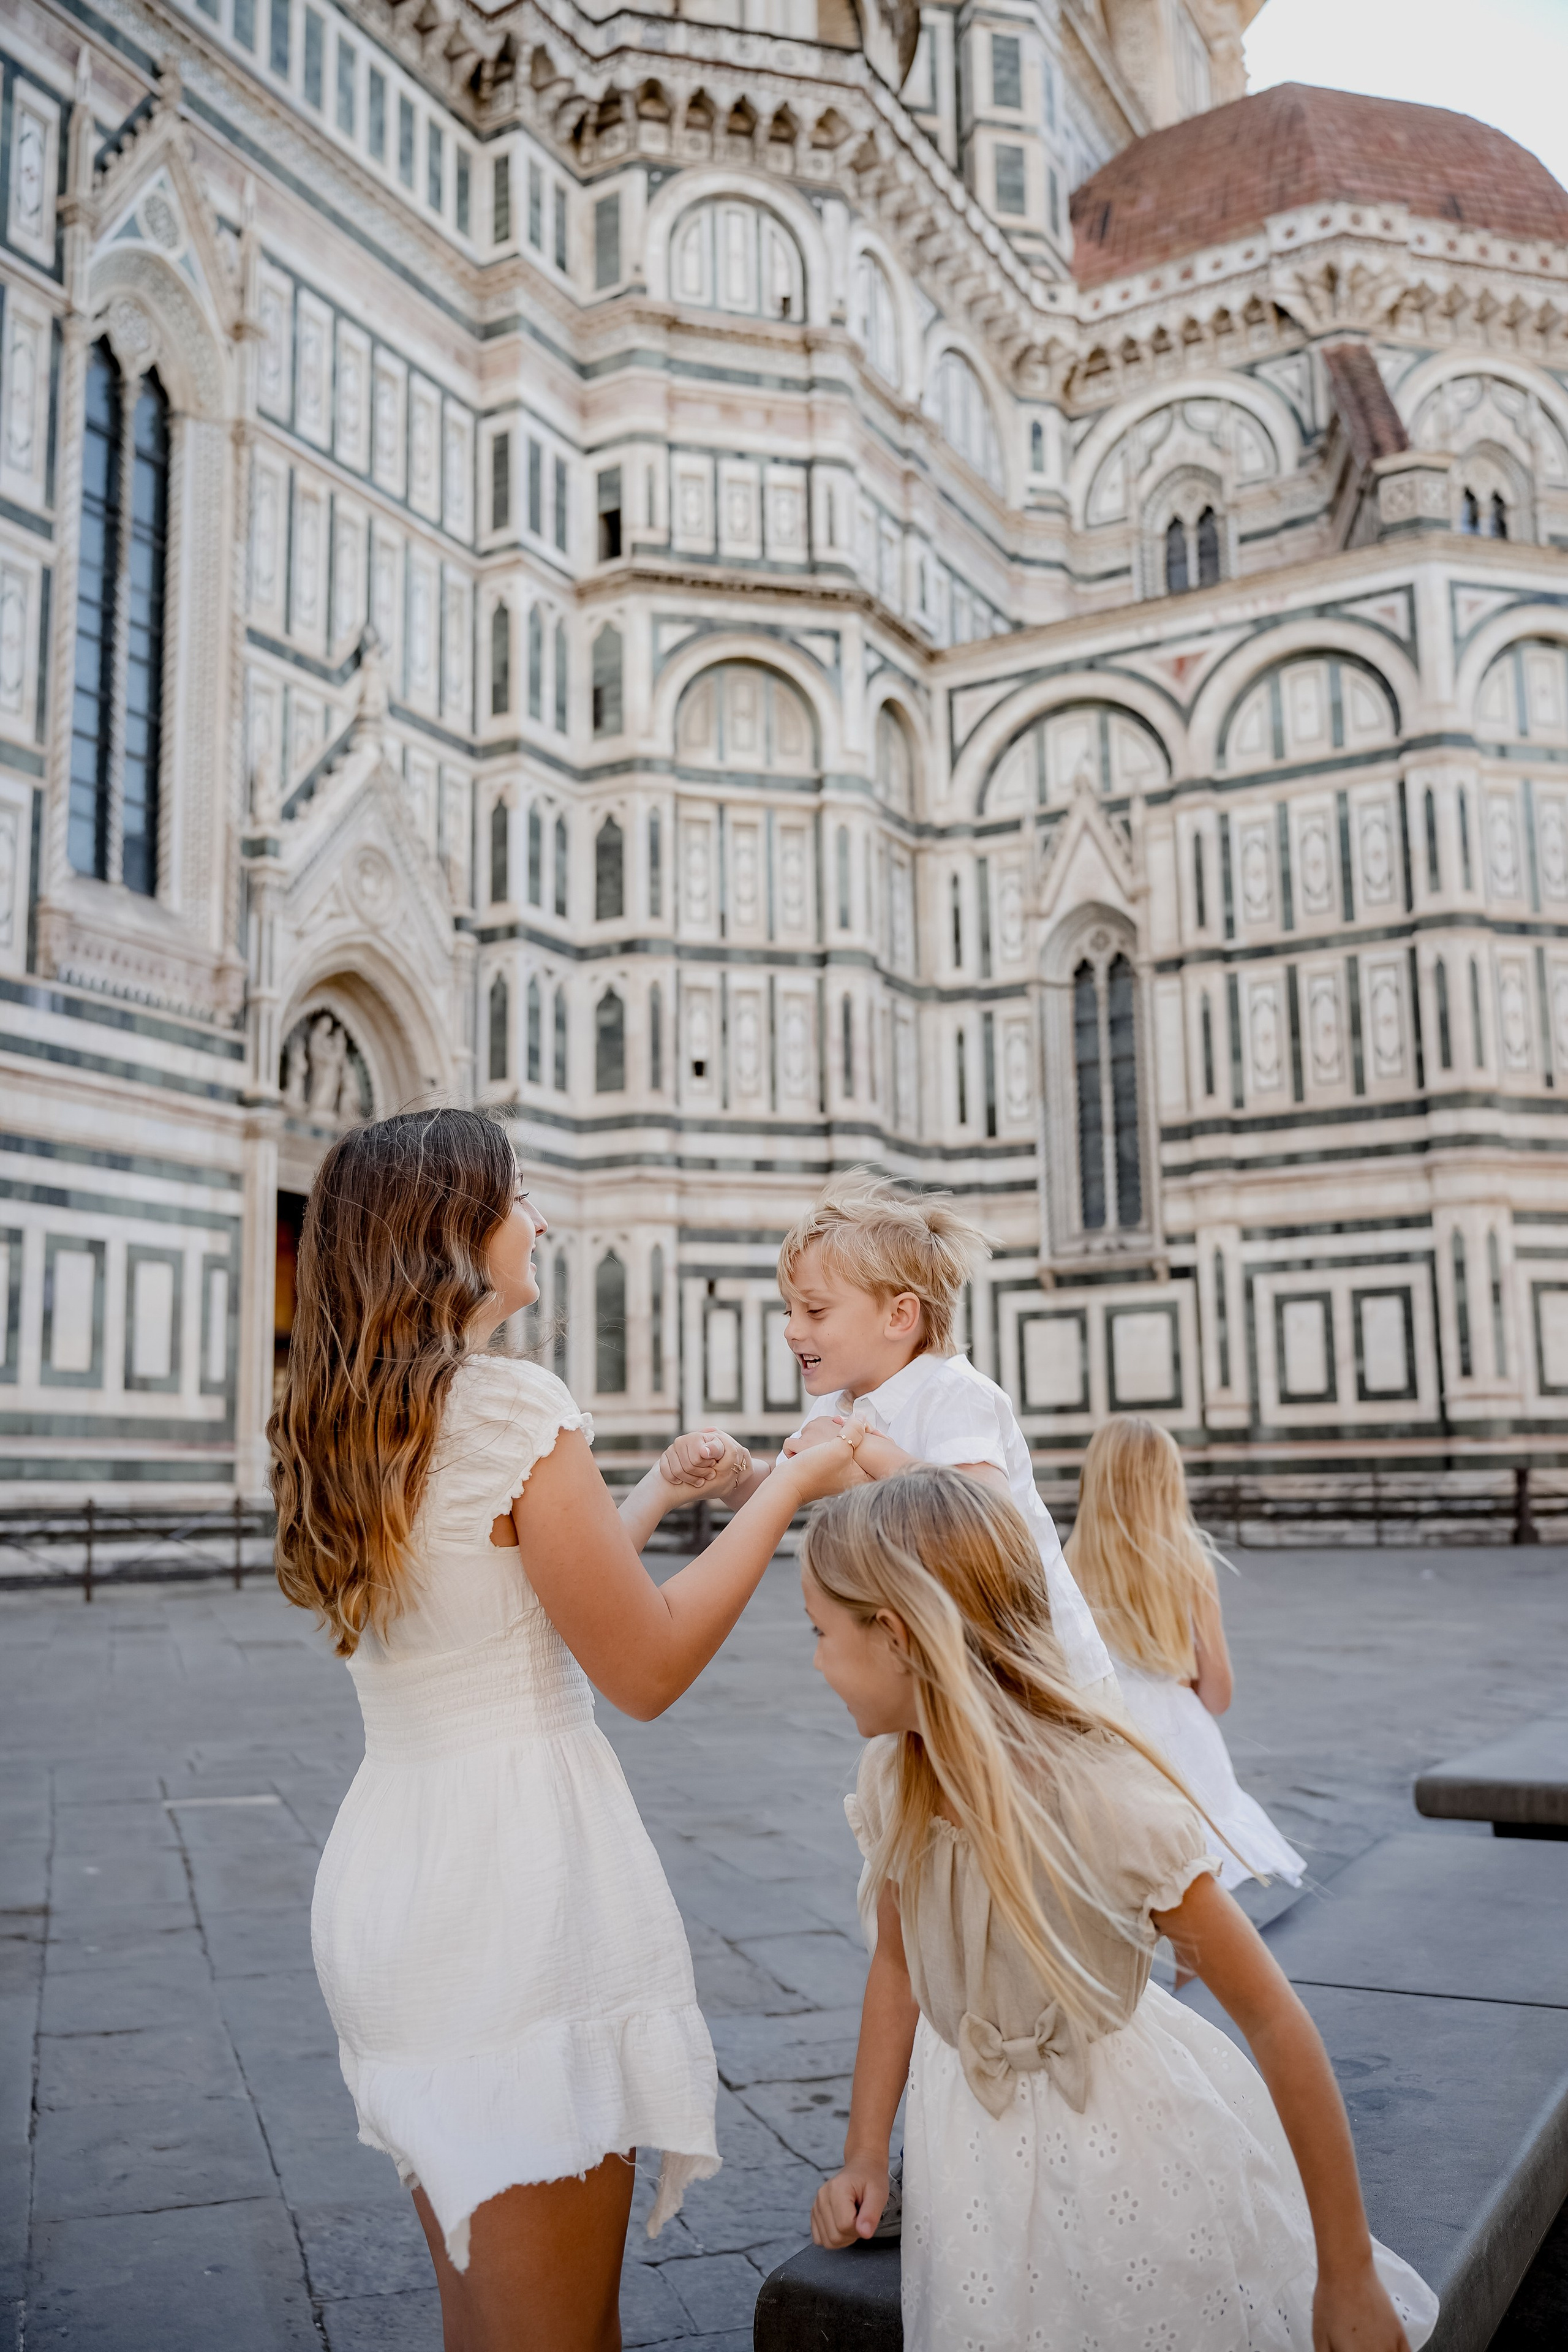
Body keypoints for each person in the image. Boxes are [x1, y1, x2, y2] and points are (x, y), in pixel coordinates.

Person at [269, 1109, 863, 2352]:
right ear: (452, 1234)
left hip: (398, 1873)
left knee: (485, 2318)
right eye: (517, 1196)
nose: (540, 1218)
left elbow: (502, 1605)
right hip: (512, 1888)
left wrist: (648, 1493)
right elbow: (641, 1667)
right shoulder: (503, 1404)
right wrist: (791, 1494)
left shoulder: (360, 1415)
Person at [802, 1468, 1438, 2352]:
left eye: (821, 1633)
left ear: (898, 1636)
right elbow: (899, 1966)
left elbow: (1275, 2018)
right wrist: (866, 2151)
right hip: (970, 2165)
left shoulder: (1106, 1803)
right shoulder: (898, 1780)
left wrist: (1346, 2271)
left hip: (1128, 2154)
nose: (816, 1659)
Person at [679, 1171, 1114, 1695]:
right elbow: (787, 1488)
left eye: (815, 1309)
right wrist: (738, 1473)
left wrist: (863, 1449)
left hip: (1034, 1675)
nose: (792, 1329)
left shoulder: (955, 1394)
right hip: (939, 1671)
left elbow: (982, 1517)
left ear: (900, 1316)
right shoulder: (838, 1401)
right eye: (788, 1309)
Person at [1068, 1414, 1305, 1898]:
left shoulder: (1066, 1564)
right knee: (1192, 1889)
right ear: (1168, 1484)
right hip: (1183, 1744)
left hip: (1103, 1739)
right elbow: (1218, 1695)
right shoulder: (1190, 1563)